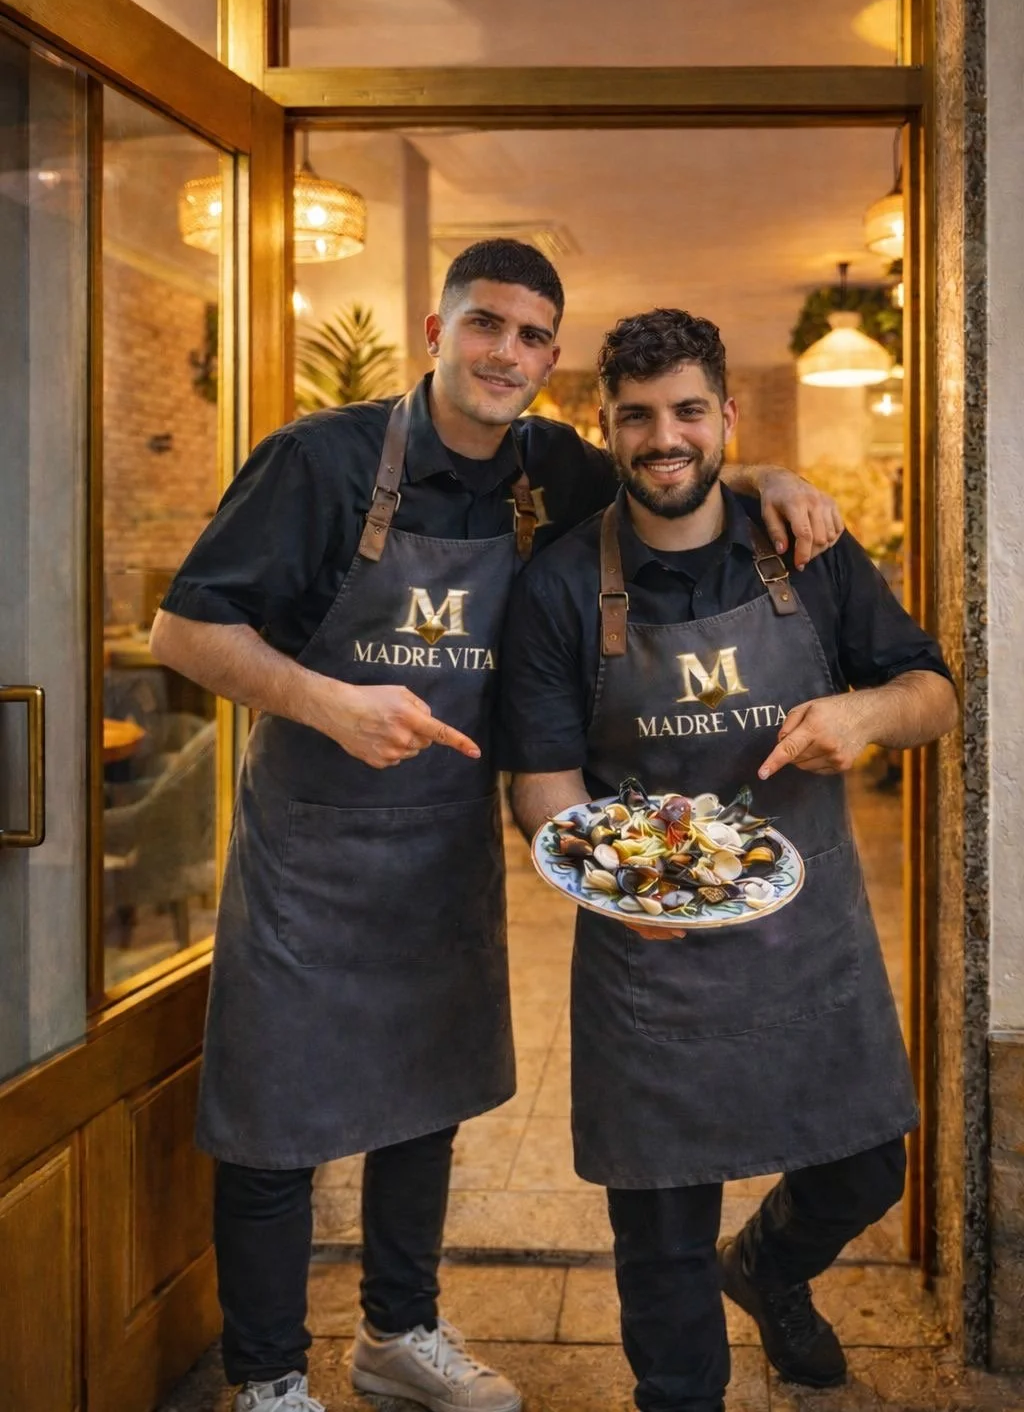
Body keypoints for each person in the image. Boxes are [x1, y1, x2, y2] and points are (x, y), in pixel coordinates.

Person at [149, 249, 842, 1412]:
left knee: (426, 1098)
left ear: (550, 357)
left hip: (442, 847)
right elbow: (182, 633)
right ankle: (266, 1377)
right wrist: (324, 699)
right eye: (485, 325)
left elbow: (667, 477)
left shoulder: (549, 466)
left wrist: (764, 470)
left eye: (530, 336)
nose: (504, 354)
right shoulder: (317, 462)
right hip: (311, 850)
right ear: (436, 327)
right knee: (274, 1119)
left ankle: (397, 1334)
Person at [502, 308, 958, 1412]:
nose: (666, 437)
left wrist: (863, 714)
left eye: (688, 411)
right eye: (638, 417)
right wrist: (603, 882)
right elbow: (541, 781)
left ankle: (766, 1271)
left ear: (725, 418)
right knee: (659, 1224)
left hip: (810, 940)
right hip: (647, 950)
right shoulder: (562, 583)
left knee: (862, 1168)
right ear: (606, 430)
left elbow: (932, 691)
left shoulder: (808, 547)